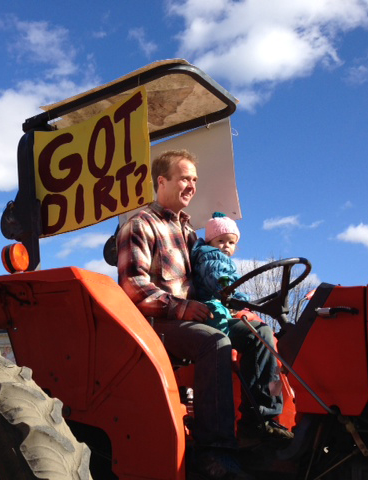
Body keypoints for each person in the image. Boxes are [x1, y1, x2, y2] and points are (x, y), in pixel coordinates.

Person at [117, 149, 251, 480]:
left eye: (194, 179)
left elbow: (212, 280)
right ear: (161, 181)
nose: (191, 185)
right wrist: (183, 307)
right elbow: (134, 287)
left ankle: (260, 424)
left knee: (257, 334)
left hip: (194, 317)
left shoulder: (191, 234)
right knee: (215, 342)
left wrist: (238, 307)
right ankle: (215, 454)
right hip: (157, 324)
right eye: (183, 178)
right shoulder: (139, 225)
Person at [191, 212, 292, 447]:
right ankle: (254, 419)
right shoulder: (210, 257)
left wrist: (242, 299)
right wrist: (240, 297)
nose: (226, 246)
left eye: (231, 242)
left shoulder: (222, 257)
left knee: (264, 333)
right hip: (212, 313)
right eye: (221, 241)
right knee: (249, 336)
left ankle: (263, 416)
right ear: (210, 241)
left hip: (226, 311)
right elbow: (221, 283)